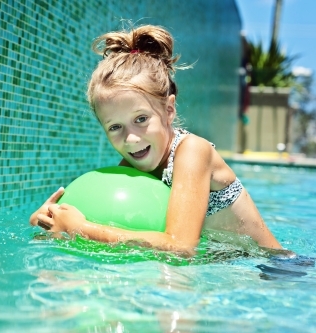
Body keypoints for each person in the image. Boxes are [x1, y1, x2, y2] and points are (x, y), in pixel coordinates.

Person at [29, 24, 284, 256]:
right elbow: (120, 230)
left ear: (169, 110)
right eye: (115, 126)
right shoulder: (131, 168)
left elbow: (181, 247)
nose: (130, 138)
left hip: (269, 269)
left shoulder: (193, 152)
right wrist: (49, 222)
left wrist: (81, 228)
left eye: (141, 119)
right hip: (223, 266)